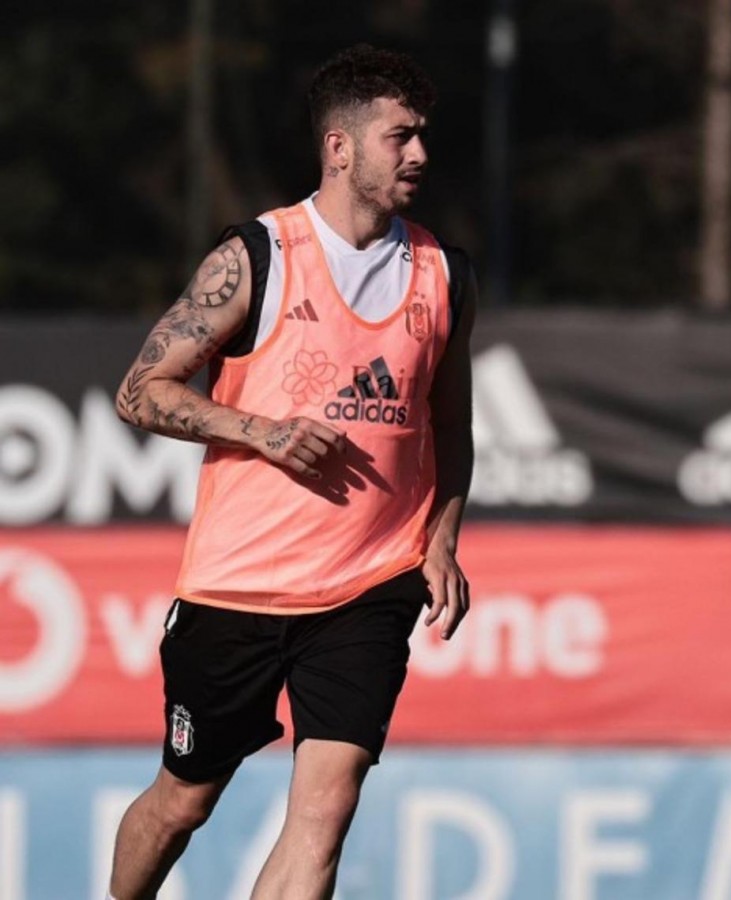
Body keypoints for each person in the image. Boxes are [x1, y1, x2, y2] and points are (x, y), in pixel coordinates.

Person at [107, 43, 475, 900]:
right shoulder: (257, 256)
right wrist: (260, 431)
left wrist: (441, 539)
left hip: (368, 584)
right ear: (339, 148)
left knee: (325, 811)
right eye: (400, 137)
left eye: (422, 135)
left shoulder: (444, 273)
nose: (419, 153)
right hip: (237, 586)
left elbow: (451, 424)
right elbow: (138, 391)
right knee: (182, 804)